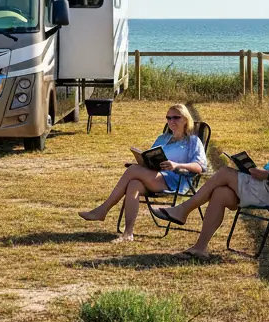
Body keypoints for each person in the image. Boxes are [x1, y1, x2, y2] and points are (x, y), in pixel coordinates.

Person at [154, 102, 269, 260]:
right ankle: (200, 247)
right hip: (266, 187)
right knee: (220, 193)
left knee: (225, 172)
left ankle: (183, 210)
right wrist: (255, 171)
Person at [78, 104, 207, 242]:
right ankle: (128, 233)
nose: (171, 121)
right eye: (168, 118)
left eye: (176, 117)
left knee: (133, 171)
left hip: (176, 180)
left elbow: (200, 166)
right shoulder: (162, 138)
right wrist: (143, 161)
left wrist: (177, 165)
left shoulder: (192, 141)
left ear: (186, 119)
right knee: (134, 184)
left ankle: (102, 210)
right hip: (155, 176)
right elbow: (150, 156)